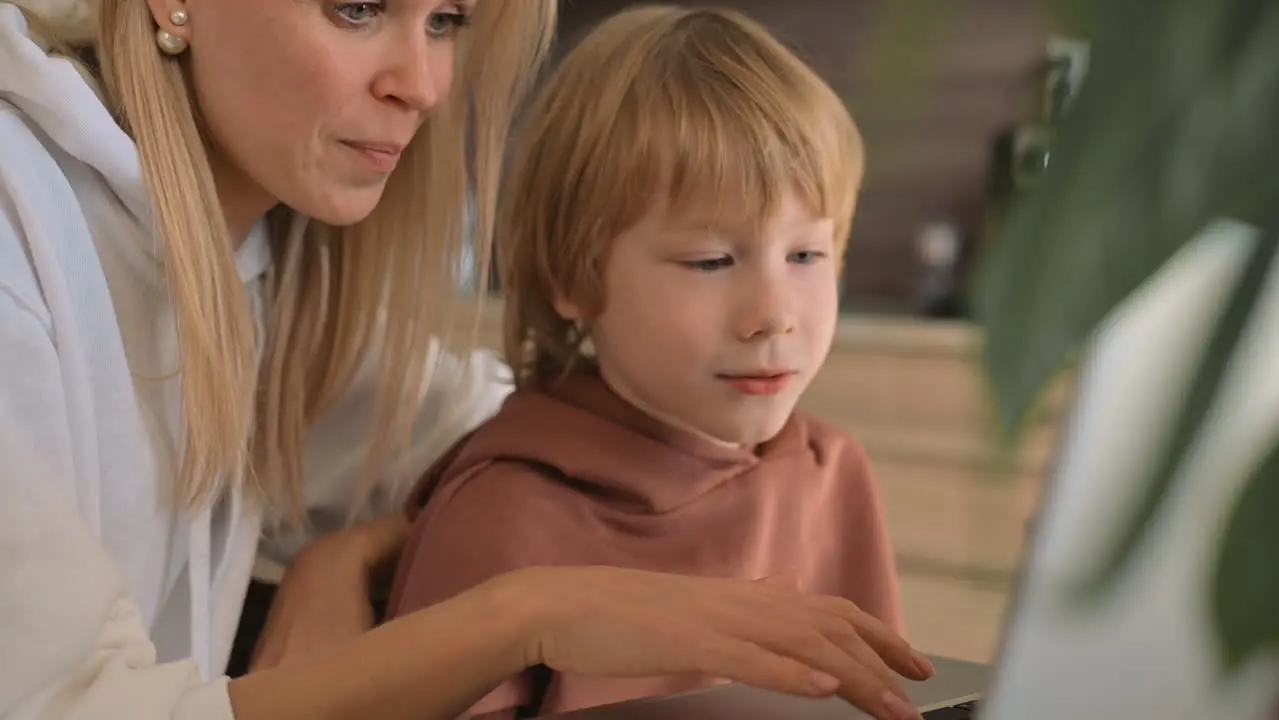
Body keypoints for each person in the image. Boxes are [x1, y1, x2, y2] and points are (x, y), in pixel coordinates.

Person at [0, 0, 932, 718]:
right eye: (357, 8)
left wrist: (345, 552)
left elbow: (480, 430)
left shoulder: (259, 273)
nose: (425, 84)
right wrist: (523, 613)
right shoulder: (20, 240)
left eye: (445, 19)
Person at [386, 5, 916, 719]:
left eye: (806, 255)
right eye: (710, 260)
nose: (773, 314)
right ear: (573, 278)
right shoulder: (504, 513)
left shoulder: (834, 472)